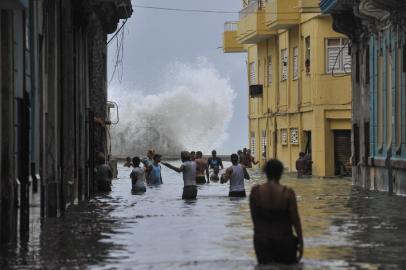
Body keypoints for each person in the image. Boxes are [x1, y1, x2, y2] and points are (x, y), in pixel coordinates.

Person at [249, 159, 303, 265]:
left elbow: (255, 219)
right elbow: (295, 220)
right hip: (284, 240)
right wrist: (301, 242)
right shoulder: (288, 193)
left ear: (265, 172)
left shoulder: (256, 192)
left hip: (262, 241)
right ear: (281, 173)